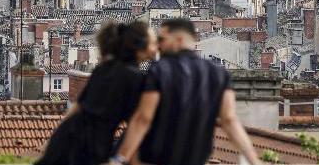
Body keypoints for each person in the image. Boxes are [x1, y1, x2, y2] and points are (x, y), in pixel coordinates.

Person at [108, 17, 261, 165]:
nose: (159, 45)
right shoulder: (219, 74)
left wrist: (119, 159)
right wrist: (253, 160)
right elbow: (229, 120)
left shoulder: (159, 70)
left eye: (162, 39)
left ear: (179, 40)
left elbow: (143, 118)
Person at [36, 20, 157, 165]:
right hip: (91, 147)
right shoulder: (135, 78)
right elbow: (137, 124)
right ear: (140, 46)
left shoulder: (104, 68)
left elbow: (76, 108)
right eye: (153, 42)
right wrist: (120, 159)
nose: (157, 46)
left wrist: (52, 139)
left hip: (66, 137)